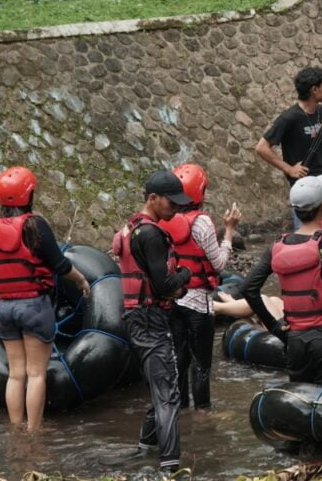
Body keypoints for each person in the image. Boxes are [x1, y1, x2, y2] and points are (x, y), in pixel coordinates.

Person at [213, 175, 322, 388]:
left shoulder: (277, 246)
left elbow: (249, 288)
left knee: (302, 401)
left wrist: (275, 327)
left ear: (296, 211)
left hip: (295, 342)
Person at [0, 166, 90, 433]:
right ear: (28, 195)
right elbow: (60, 265)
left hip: (5, 308)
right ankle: (34, 432)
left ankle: (16, 430)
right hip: (34, 307)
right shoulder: (34, 225)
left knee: (16, 374)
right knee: (36, 373)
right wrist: (81, 280)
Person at [109, 170, 193, 475]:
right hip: (152, 318)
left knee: (161, 385)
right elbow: (164, 285)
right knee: (170, 395)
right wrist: (185, 275)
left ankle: (145, 448)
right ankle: (170, 468)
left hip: (135, 317)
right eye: (172, 202)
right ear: (153, 198)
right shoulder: (152, 234)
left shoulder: (131, 228)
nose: (176, 208)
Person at [160, 163, 241, 411]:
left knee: (180, 360)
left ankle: (182, 410)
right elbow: (218, 264)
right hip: (199, 305)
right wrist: (229, 231)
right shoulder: (202, 222)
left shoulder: (163, 220)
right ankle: (203, 414)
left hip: (174, 302)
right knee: (201, 364)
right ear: (200, 192)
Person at [256, 66, 322, 186]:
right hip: (303, 184)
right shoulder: (289, 117)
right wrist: (289, 169)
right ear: (314, 89)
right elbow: (261, 148)